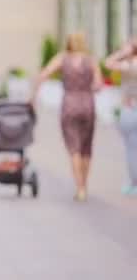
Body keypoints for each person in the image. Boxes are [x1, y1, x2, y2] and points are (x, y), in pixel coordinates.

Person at [30, 33, 103, 202]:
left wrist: (33, 97)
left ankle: (80, 189)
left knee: (73, 148)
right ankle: (84, 185)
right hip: (88, 105)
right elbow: (98, 85)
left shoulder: (63, 58)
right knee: (86, 147)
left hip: (69, 105)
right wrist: (88, 86)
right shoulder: (90, 60)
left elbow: (43, 75)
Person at [105, 38, 137, 194]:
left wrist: (122, 54)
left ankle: (134, 182)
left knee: (132, 149)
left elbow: (108, 63)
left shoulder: (128, 65)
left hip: (130, 110)